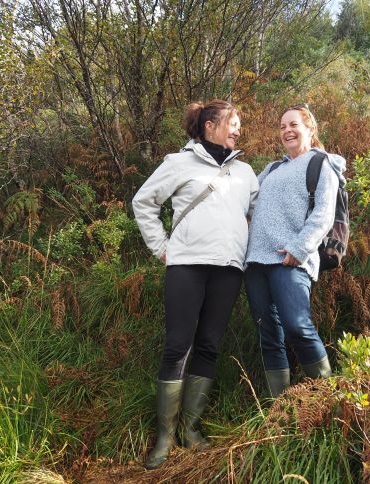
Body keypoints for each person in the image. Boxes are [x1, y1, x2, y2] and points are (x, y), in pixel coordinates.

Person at [132, 100, 259, 469]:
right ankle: (164, 438)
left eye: (239, 124)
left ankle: (191, 429)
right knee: (177, 347)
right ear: (209, 127)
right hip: (186, 266)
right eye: (231, 123)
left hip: (229, 269)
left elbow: (258, 215)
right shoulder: (178, 163)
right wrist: (160, 248)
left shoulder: (246, 172)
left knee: (208, 346)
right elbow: (144, 202)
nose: (237, 130)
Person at [244, 104, 346, 398]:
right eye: (282, 127)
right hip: (256, 262)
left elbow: (324, 214)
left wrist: (299, 249)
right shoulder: (272, 169)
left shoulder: (321, 163)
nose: (287, 131)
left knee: (297, 327)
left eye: (293, 125)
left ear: (310, 129)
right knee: (268, 334)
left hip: (290, 260)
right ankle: (281, 407)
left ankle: (326, 401)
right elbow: (248, 205)